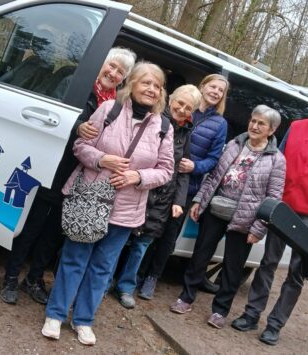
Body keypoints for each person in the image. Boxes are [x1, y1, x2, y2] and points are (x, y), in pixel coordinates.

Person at [42, 62, 174, 345]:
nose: (151, 89)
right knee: (74, 258)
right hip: (91, 199)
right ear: (132, 84)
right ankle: (55, 313)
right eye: (146, 82)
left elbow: (166, 170)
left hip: (126, 209)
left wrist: (138, 176)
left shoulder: (163, 126)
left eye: (157, 85)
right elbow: (80, 146)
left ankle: (83, 319)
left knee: (103, 267)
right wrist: (102, 160)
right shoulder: (109, 110)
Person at [0, 47, 136, 305]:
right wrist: (77, 126)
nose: (113, 73)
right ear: (101, 64)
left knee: (54, 232)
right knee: (32, 225)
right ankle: (11, 276)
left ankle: (34, 279)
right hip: (54, 166)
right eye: (111, 65)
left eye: (120, 71)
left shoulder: (118, 106)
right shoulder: (77, 83)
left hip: (82, 176)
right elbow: (52, 115)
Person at [230, 81, 308, 346]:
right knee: (267, 263)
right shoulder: (297, 126)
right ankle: (251, 315)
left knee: (296, 273)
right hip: (283, 208)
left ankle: (274, 325)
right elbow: (276, 161)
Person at [170, 105, 286, 327]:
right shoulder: (234, 144)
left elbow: (273, 198)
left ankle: (220, 311)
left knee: (233, 267)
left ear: (271, 130)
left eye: (261, 124)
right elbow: (214, 176)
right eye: (253, 120)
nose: (254, 126)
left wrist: (258, 228)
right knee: (200, 256)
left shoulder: (276, 160)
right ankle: (186, 297)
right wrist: (199, 200)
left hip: (245, 218)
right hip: (216, 208)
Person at [137, 74, 230, 299]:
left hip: (187, 186)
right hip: (160, 179)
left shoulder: (220, 123)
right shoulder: (184, 107)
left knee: (169, 236)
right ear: (203, 86)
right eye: (213, 86)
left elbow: (214, 159)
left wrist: (195, 166)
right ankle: (137, 274)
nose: (216, 92)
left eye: (221, 90)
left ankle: (152, 277)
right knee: (149, 229)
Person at [113, 84, 202, 309]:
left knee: (142, 244)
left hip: (163, 198)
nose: (182, 109)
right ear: (171, 99)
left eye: (188, 107)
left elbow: (181, 172)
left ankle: (126, 287)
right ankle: (105, 281)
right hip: (139, 188)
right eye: (180, 103)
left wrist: (179, 201)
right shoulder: (155, 120)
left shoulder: (186, 132)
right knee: (119, 239)